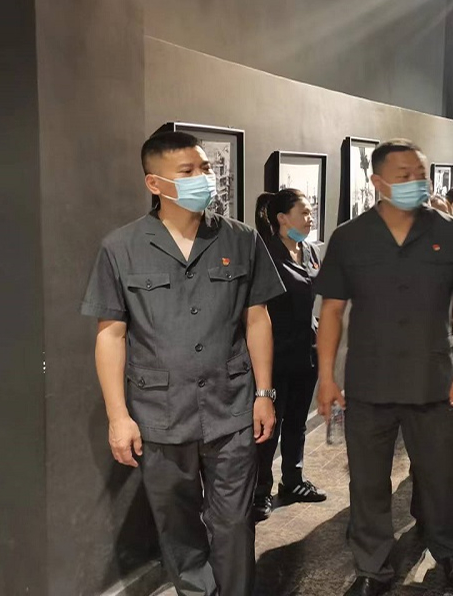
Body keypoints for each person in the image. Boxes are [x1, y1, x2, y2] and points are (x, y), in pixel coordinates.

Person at [81, 132, 285, 596]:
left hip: (231, 406)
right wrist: (118, 416)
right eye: (188, 171)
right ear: (155, 183)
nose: (203, 178)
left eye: (205, 168)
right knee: (176, 524)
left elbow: (257, 319)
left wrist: (264, 393)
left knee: (235, 521)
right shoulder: (121, 247)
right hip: (160, 412)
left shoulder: (241, 238)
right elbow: (110, 335)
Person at [315, 139, 453, 596]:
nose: (417, 182)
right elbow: (331, 310)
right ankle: (372, 567)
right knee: (367, 481)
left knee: (441, 474)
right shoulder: (350, 237)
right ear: (377, 182)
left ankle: (449, 552)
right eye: (404, 175)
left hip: (431, 380)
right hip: (367, 382)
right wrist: (326, 376)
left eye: (421, 174)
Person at [252, 188, 327, 523]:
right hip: (276, 353)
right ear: (282, 218)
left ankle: (293, 480)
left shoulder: (309, 250)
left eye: (310, 213)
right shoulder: (265, 254)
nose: (310, 219)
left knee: (297, 421)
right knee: (270, 426)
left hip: (306, 350)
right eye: (304, 213)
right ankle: (260, 491)